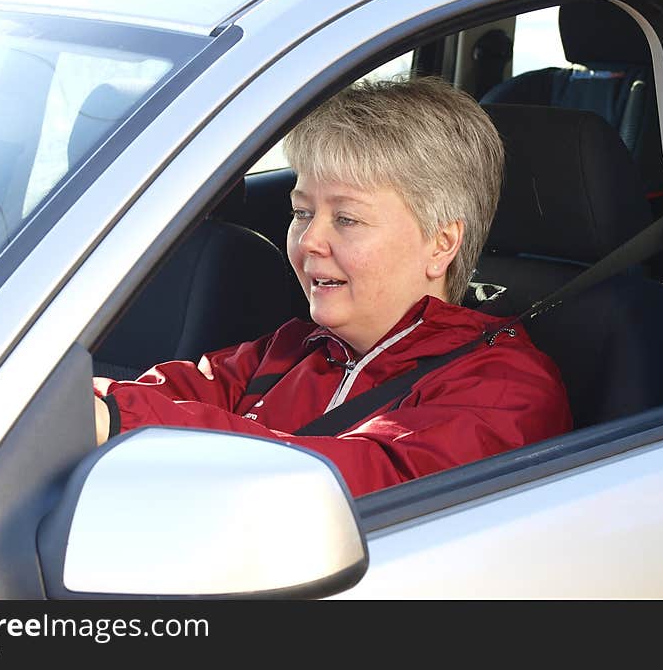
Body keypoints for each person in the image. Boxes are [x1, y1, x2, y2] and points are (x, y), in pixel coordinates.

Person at [93, 76, 572, 497]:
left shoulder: (504, 387)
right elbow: (169, 390)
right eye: (303, 212)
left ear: (440, 243)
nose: (309, 240)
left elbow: (366, 481)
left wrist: (120, 421)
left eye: (346, 218)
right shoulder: (287, 353)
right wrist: (80, 403)